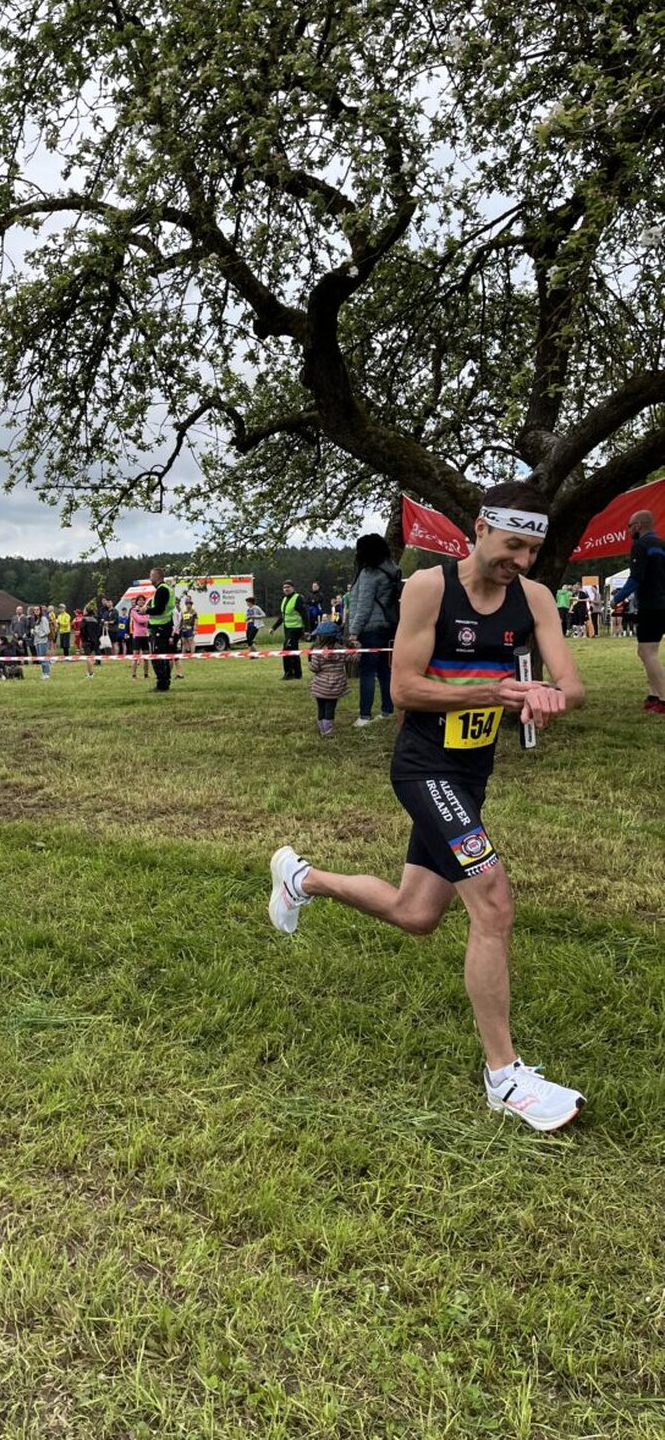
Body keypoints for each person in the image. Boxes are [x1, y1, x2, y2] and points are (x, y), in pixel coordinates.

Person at [269, 481, 587, 1132]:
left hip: (471, 776)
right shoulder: (427, 589)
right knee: (493, 902)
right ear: (479, 527)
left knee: (416, 913)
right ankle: (504, 1077)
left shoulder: (533, 599)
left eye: (531, 550)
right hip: (423, 769)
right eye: (511, 545)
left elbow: (573, 682)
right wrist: (492, 692)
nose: (520, 561)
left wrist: (554, 697)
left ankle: (302, 878)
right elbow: (407, 688)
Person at [610, 509, 665, 713]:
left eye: (629, 526)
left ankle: (663, 698)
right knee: (651, 652)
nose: (629, 530)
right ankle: (653, 694)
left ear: (638, 526)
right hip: (663, 604)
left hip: (651, 605)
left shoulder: (640, 545)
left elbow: (636, 578)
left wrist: (617, 598)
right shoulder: (662, 545)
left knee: (646, 652)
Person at [349, 534, 401, 727]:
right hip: (388, 626)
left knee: (367, 672)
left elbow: (363, 606)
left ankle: (364, 715)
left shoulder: (369, 573)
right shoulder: (392, 569)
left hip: (370, 628)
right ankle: (387, 710)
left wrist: (354, 631)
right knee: (385, 671)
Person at [309, 619, 350, 736]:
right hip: (335, 686)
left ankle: (322, 729)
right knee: (330, 708)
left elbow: (314, 668)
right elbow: (353, 658)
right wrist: (357, 647)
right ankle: (328, 731)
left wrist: (309, 665)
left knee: (320, 707)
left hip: (320, 686)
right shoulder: (341, 650)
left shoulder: (317, 651)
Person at [145, 567, 177, 692]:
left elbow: (159, 609)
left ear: (157, 577)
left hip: (160, 627)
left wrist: (145, 610)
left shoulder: (162, 590)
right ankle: (164, 682)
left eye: (151, 576)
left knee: (157, 657)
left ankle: (162, 684)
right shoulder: (167, 589)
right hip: (164, 625)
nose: (149, 578)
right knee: (163, 656)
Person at [274, 581, 304, 680]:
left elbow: (305, 614)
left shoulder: (298, 598)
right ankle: (297, 673)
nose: (286, 589)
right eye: (284, 587)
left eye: (288, 587)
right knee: (293, 651)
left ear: (293, 588)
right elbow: (283, 616)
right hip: (287, 628)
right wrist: (274, 627)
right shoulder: (285, 599)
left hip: (296, 628)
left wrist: (307, 630)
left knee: (286, 650)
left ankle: (289, 673)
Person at [129, 595, 151, 678]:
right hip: (137, 635)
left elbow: (149, 618)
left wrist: (146, 618)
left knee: (146, 656)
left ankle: (146, 674)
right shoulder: (133, 610)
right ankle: (134, 674)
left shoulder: (147, 610)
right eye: (139, 600)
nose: (141, 602)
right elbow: (139, 620)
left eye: (143, 600)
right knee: (135, 656)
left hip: (145, 635)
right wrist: (146, 619)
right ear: (137, 602)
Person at [30, 603, 52, 679]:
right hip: (37, 641)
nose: (36, 611)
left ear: (40, 610)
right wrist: (33, 631)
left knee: (43, 658)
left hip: (42, 641)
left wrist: (38, 633)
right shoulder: (36, 620)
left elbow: (47, 631)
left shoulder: (43, 619)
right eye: (35, 610)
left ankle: (47, 673)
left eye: (37, 609)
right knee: (40, 658)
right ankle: (43, 673)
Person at [178, 595, 197, 677]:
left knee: (191, 641)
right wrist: (179, 628)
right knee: (184, 642)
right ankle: (183, 654)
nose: (188, 605)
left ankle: (192, 654)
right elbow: (181, 620)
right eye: (186, 603)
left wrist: (195, 629)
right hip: (184, 629)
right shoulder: (184, 612)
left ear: (191, 604)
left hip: (190, 629)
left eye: (189, 603)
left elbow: (195, 621)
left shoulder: (194, 612)